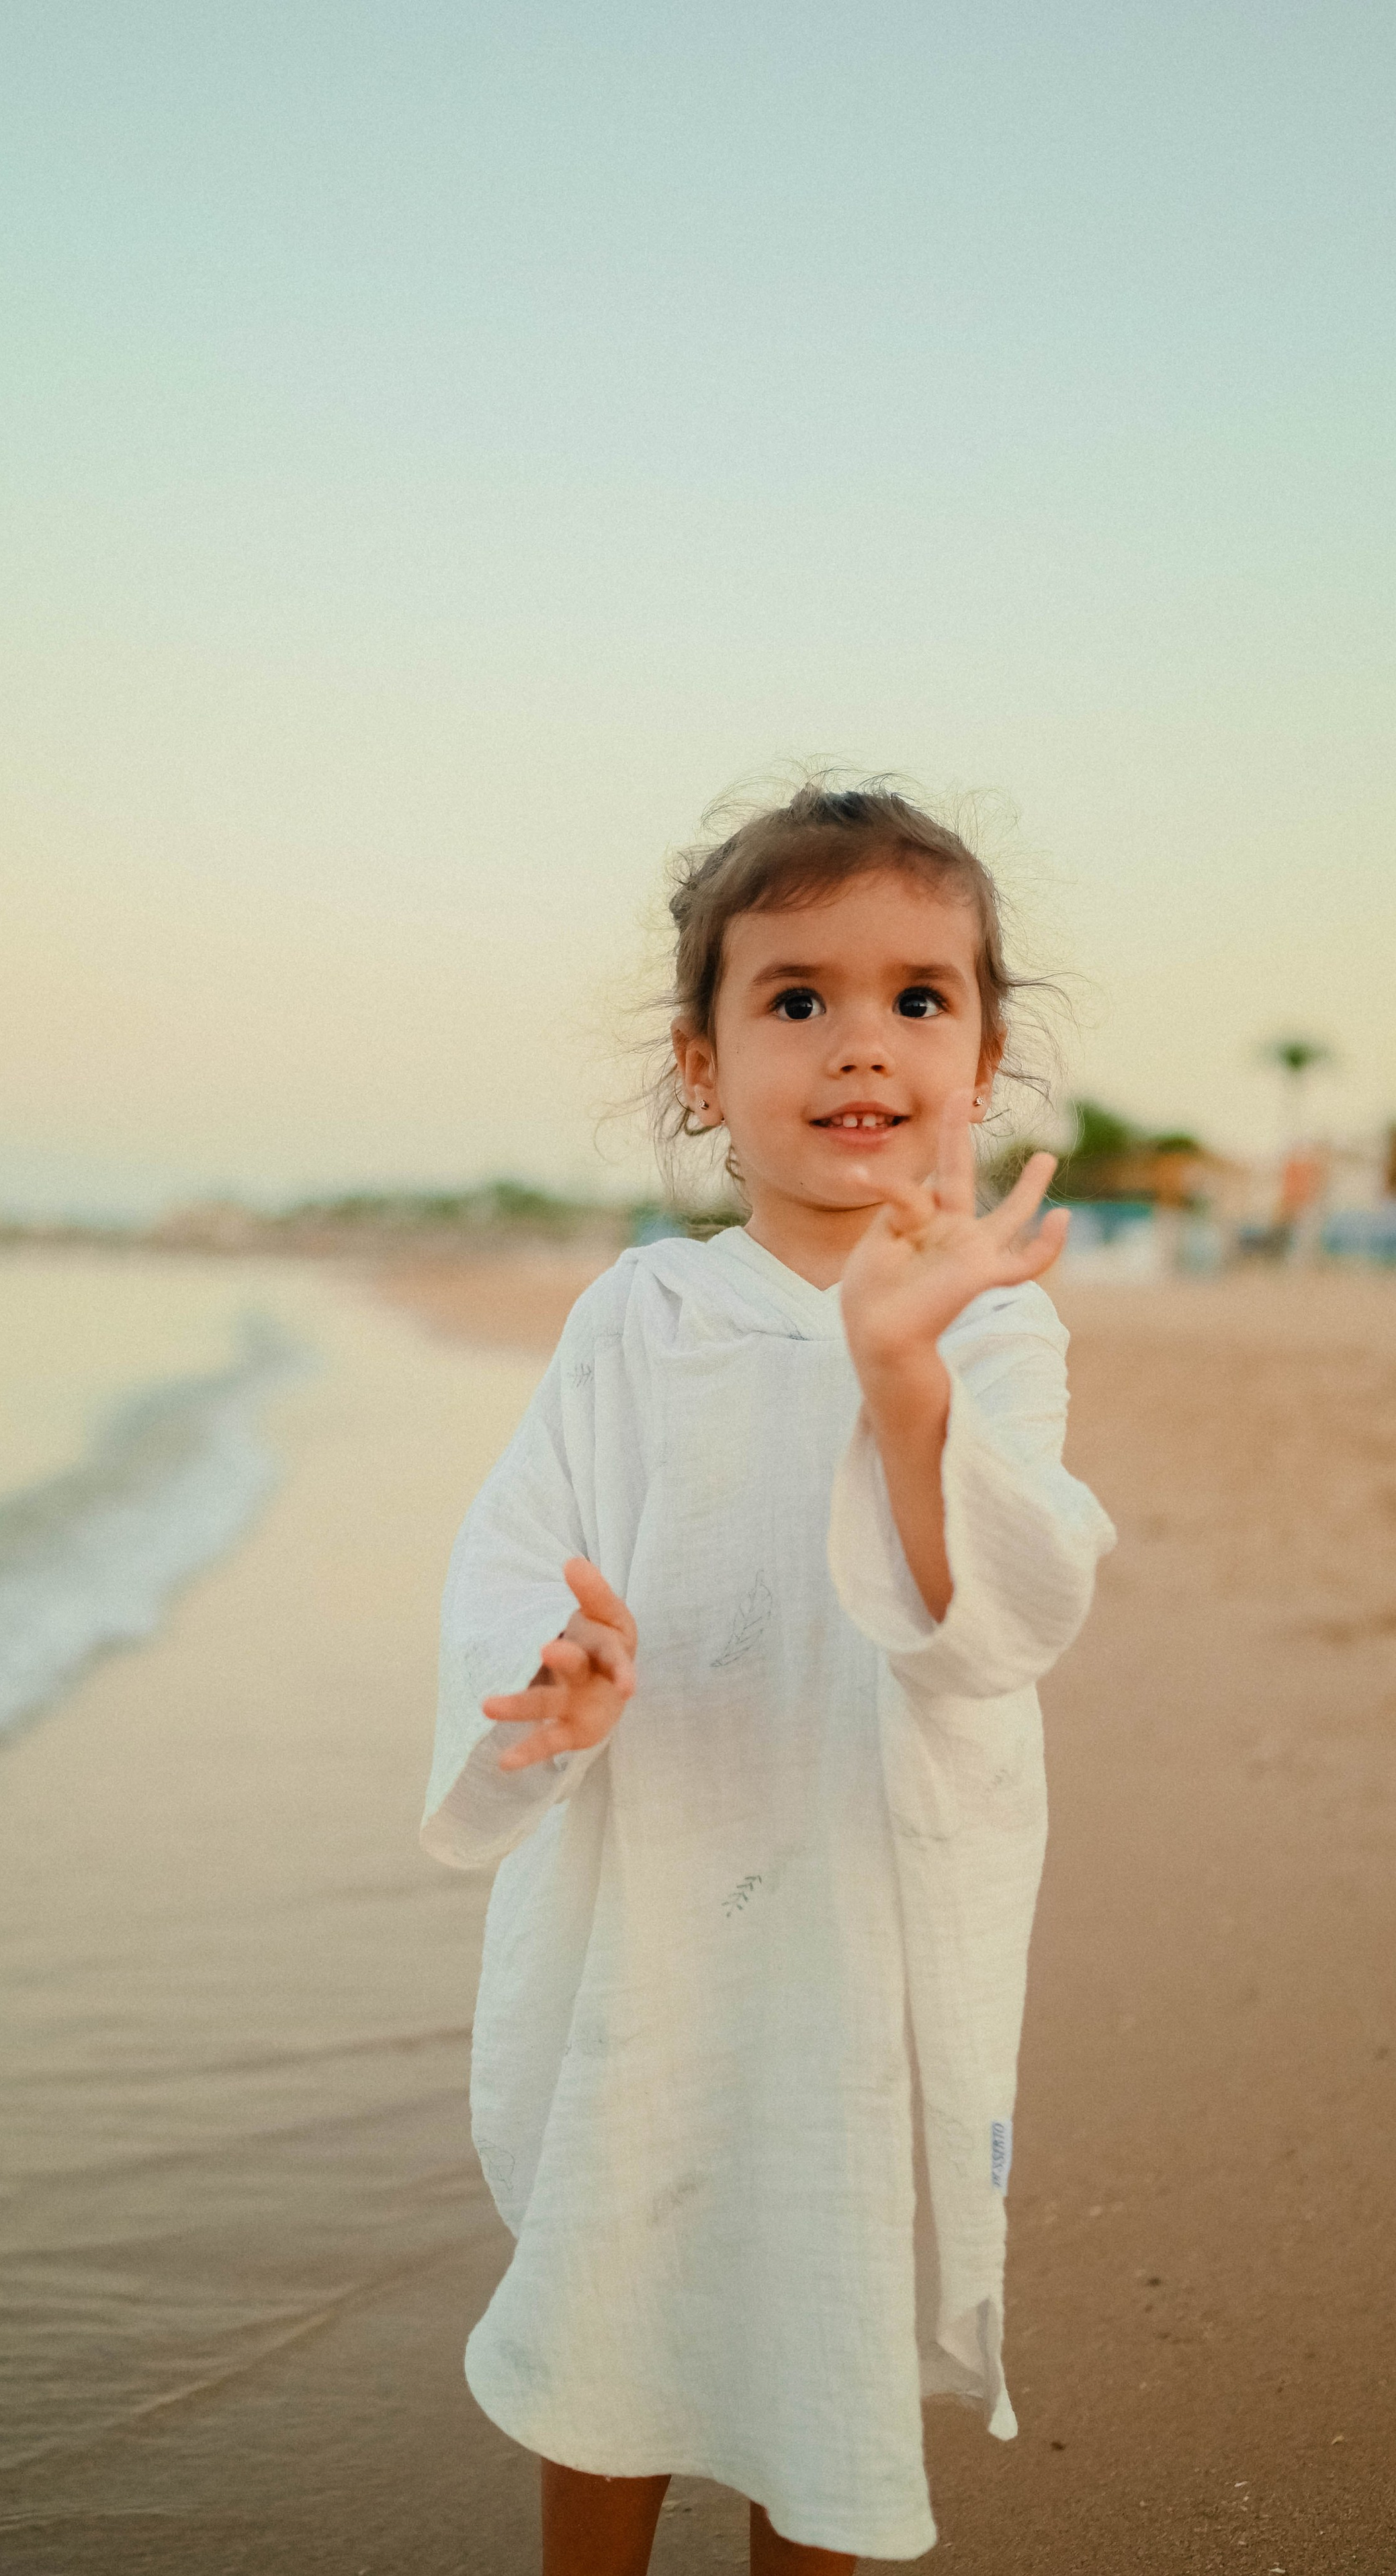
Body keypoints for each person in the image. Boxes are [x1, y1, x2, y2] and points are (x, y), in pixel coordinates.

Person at [421, 781, 1116, 2571]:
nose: (858, 1042)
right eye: (795, 997)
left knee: (821, 2324)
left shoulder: (998, 1321)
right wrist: (550, 1670)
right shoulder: (638, 1320)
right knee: (616, 2294)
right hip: (655, 1898)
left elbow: (1005, 1616)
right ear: (703, 1063)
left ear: (986, 1050)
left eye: (917, 997)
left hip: (861, 1920)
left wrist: (902, 1376)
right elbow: (517, 1552)